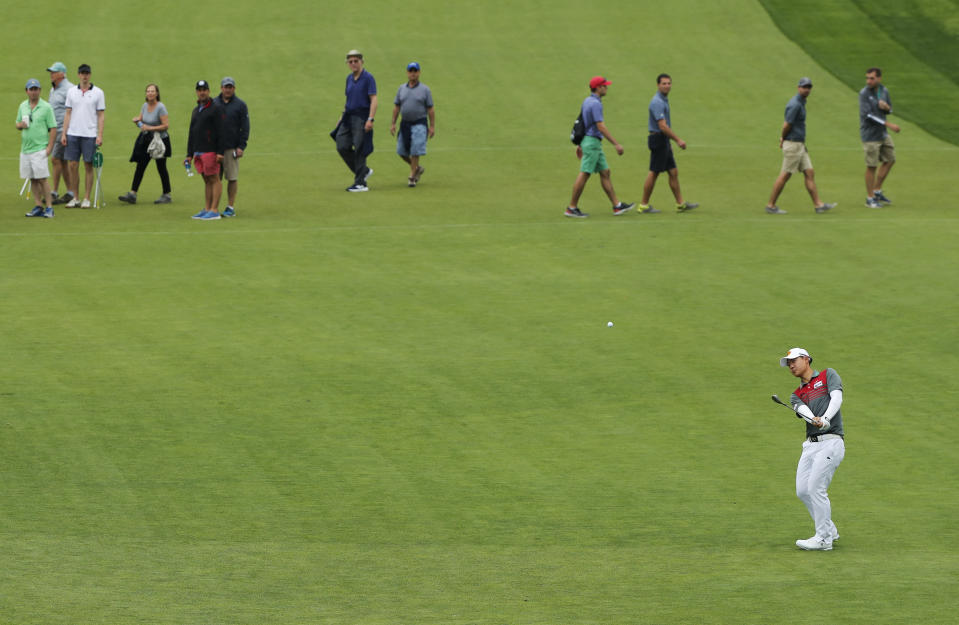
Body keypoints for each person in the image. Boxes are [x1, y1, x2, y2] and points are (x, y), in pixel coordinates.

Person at [779, 347, 845, 551]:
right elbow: (804, 411)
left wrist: (825, 419)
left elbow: (837, 398)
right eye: (788, 363)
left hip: (831, 441)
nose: (791, 366)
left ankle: (824, 539)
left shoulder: (827, 375)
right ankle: (830, 530)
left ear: (806, 359)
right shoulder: (796, 395)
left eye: (794, 361)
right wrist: (815, 420)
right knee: (802, 491)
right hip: (811, 445)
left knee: (816, 488)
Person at [564, 76, 634, 218]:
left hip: (590, 142)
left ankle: (617, 206)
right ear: (598, 88)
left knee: (605, 172)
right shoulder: (596, 104)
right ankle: (571, 207)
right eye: (604, 86)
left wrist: (580, 143)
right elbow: (600, 126)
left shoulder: (587, 100)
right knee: (585, 173)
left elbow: (582, 123)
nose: (606, 88)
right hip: (592, 143)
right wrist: (616, 144)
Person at [764, 78, 836, 215]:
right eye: (804, 87)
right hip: (793, 144)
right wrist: (783, 139)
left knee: (809, 172)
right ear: (798, 88)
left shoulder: (802, 102)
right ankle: (771, 205)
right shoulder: (795, 105)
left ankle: (818, 205)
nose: (807, 89)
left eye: (809, 87)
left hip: (799, 144)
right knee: (785, 175)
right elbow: (787, 124)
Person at [639, 74, 698, 214]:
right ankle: (643, 205)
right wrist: (677, 140)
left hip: (663, 140)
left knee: (673, 171)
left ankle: (680, 204)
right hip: (658, 139)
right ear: (658, 85)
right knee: (654, 172)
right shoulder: (657, 102)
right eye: (664, 83)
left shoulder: (663, 99)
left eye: (669, 83)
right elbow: (663, 126)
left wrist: (668, 142)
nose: (667, 86)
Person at [118, 84, 172, 205]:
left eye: (152, 91)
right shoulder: (144, 106)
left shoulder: (161, 107)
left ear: (157, 93)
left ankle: (167, 194)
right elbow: (142, 122)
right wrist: (137, 121)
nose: (150, 93)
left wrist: (150, 128)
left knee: (161, 167)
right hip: (147, 140)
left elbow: (166, 125)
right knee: (140, 166)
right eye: (148, 91)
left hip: (159, 141)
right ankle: (132, 193)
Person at [60, 63, 105, 209]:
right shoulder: (72, 92)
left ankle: (86, 198)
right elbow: (68, 113)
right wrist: (64, 133)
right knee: (72, 165)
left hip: (89, 134)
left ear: (90, 75)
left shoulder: (98, 92)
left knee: (88, 165)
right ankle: (75, 198)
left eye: (87, 73)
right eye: (82, 73)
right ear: (78, 75)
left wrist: (99, 135)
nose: (84, 76)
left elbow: (101, 115)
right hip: (73, 133)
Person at [335, 49, 377, 192]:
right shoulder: (349, 79)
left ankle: (360, 184)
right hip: (348, 117)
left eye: (356, 61)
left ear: (361, 62)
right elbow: (349, 100)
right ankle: (363, 171)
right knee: (341, 145)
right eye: (350, 62)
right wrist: (341, 118)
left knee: (360, 148)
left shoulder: (368, 78)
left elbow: (374, 99)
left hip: (362, 116)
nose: (353, 64)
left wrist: (370, 119)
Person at [859, 67, 901, 208]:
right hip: (870, 135)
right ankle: (870, 198)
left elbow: (890, 109)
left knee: (890, 160)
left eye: (872, 78)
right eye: (867, 78)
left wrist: (886, 108)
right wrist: (888, 124)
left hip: (882, 133)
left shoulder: (884, 91)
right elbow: (868, 115)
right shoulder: (864, 93)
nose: (868, 81)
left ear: (879, 78)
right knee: (871, 166)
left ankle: (876, 190)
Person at [17, 78, 58, 218]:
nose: (34, 92)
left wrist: (49, 148)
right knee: (32, 179)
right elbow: (17, 124)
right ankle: (38, 206)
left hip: (40, 149)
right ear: (27, 91)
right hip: (26, 149)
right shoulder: (23, 106)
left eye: (36, 89)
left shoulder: (46, 107)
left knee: (42, 179)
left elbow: (53, 128)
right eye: (31, 89)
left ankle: (49, 207)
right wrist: (21, 125)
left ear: (40, 91)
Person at [389, 62, 434, 187]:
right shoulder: (401, 89)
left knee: (415, 149)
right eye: (410, 71)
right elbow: (397, 106)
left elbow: (430, 109)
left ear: (419, 73)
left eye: (415, 71)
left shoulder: (425, 90)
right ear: (407, 73)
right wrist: (393, 123)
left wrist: (432, 126)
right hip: (405, 123)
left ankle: (412, 176)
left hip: (419, 123)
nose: (413, 73)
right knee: (401, 152)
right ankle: (417, 168)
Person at [186, 80, 225, 220]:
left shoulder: (215, 108)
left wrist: (220, 152)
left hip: (211, 150)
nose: (202, 92)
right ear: (196, 92)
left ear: (209, 91)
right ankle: (207, 208)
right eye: (199, 89)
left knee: (214, 178)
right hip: (198, 151)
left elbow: (221, 131)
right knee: (207, 180)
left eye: (204, 89)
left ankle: (214, 210)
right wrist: (189, 154)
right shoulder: (196, 110)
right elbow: (192, 132)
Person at [214, 77, 249, 217]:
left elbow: (245, 127)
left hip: (231, 148)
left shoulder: (240, 105)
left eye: (230, 87)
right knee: (214, 178)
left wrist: (241, 146)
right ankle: (213, 207)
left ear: (234, 88)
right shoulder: (214, 103)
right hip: (215, 148)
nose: (228, 89)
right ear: (221, 88)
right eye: (225, 87)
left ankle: (230, 207)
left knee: (232, 178)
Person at [46, 61, 74, 205]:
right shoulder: (53, 89)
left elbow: (74, 110)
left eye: (54, 72)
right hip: (54, 129)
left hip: (64, 129)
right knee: (62, 161)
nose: (51, 74)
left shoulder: (70, 89)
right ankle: (70, 192)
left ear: (62, 74)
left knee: (55, 159)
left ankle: (54, 192)